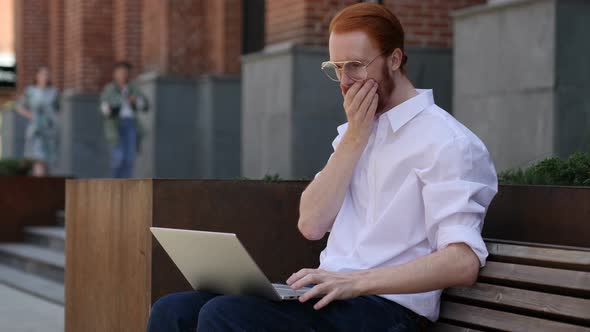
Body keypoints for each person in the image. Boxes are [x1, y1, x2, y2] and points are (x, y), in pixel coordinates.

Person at [146, 3, 498, 331]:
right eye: (337, 68)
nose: (345, 81)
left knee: (223, 315)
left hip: (389, 311)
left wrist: (355, 281)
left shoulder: (448, 142)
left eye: (356, 66)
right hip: (331, 295)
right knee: (173, 310)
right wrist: (355, 139)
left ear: (394, 59)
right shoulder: (356, 132)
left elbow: (461, 262)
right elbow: (311, 224)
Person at [99, 61, 149, 178]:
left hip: (131, 124)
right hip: (116, 125)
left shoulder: (133, 88)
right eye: (121, 73)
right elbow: (103, 108)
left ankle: (127, 188)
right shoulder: (110, 89)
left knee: (130, 158)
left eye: (126, 73)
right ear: (115, 74)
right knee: (118, 158)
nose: (123, 75)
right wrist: (111, 108)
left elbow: (146, 105)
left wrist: (136, 101)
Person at [16, 66, 60, 177]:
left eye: (46, 74)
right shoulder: (30, 91)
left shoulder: (54, 92)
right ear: (37, 76)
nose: (44, 77)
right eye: (42, 74)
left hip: (50, 130)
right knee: (38, 158)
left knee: (48, 161)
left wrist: (55, 121)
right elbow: (19, 107)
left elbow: (58, 109)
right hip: (36, 129)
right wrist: (30, 115)